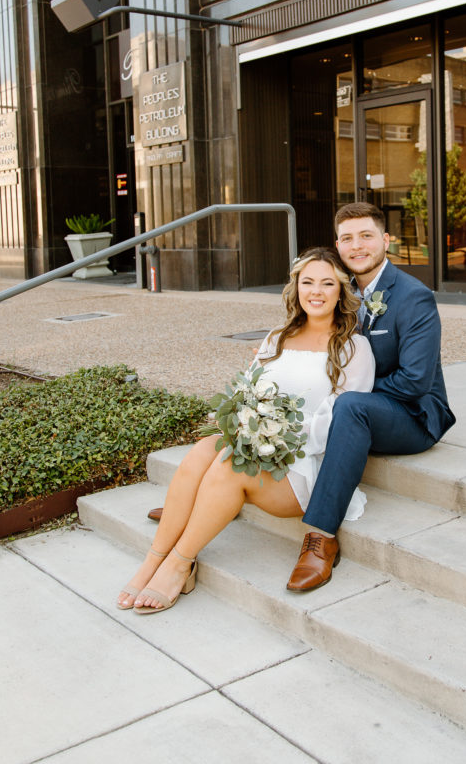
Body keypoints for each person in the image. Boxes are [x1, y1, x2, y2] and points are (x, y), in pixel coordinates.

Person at [117, 247, 375, 614]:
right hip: (260, 446)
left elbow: (342, 424)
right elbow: (247, 392)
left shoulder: (354, 348)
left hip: (301, 467)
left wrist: (272, 437)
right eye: (308, 282)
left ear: (340, 291)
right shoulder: (276, 338)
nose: (316, 291)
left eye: (327, 283)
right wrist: (244, 425)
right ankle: (152, 561)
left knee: (229, 464)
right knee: (207, 447)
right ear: (296, 288)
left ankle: (179, 563)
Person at [286, 202, 455, 593]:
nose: (356, 246)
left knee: (347, 405)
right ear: (337, 244)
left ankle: (321, 536)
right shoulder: (339, 288)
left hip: (415, 415)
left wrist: (343, 393)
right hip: (361, 408)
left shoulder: (414, 297)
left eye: (366, 236)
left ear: (386, 240)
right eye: (347, 238)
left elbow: (415, 382)